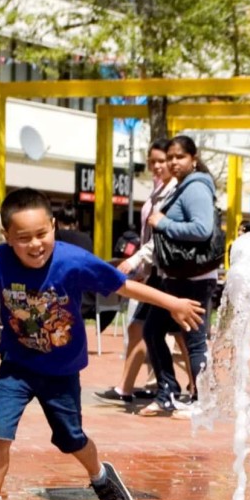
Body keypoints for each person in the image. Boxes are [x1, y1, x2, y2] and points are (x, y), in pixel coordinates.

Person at [0, 187, 205, 500]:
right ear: (7, 237)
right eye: (23, 238)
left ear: (54, 226)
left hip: (61, 373)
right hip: (16, 368)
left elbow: (124, 286)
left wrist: (173, 303)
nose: (35, 244)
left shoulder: (72, 261)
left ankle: (100, 476)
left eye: (41, 234)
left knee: (70, 439)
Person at [140, 135, 221, 418]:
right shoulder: (182, 187)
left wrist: (164, 222)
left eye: (180, 157)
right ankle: (168, 393)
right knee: (152, 330)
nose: (174, 162)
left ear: (193, 159)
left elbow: (202, 229)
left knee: (194, 339)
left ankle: (203, 400)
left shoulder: (196, 187)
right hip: (176, 276)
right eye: (170, 157)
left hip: (194, 278)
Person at [97, 139, 176, 405]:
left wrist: (136, 261)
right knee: (144, 329)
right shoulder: (159, 189)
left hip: (163, 272)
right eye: (152, 161)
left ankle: (187, 388)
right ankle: (130, 387)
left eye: (161, 161)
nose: (156, 166)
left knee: (160, 332)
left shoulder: (174, 191)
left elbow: (161, 238)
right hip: (152, 271)